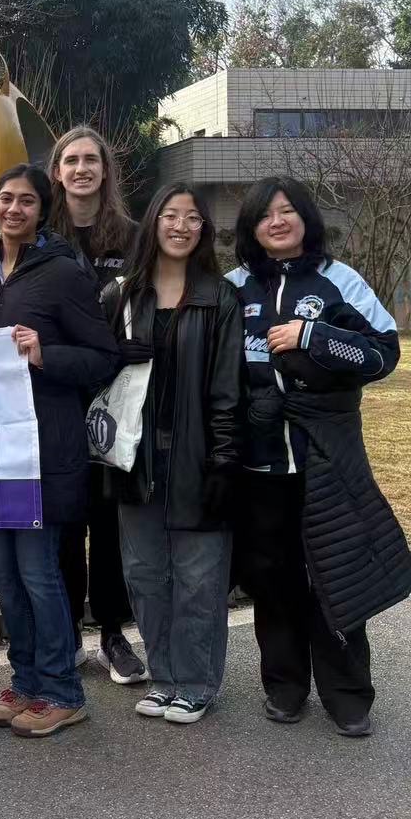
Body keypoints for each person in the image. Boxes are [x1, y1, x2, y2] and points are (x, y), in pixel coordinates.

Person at [227, 176, 411, 738]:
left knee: (335, 575)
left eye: (287, 211)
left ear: (306, 218)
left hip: (325, 460)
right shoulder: (234, 287)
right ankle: (284, 685)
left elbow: (384, 354)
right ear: (252, 228)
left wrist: (312, 335)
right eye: (265, 215)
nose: (277, 221)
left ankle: (348, 694)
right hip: (260, 463)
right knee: (271, 579)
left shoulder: (340, 280)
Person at [0, 164, 120, 739]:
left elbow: (102, 357)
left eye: (26, 201)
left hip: (45, 448)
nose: (14, 209)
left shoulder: (63, 273)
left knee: (38, 572)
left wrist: (44, 353)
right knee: (5, 576)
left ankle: (62, 690)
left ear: (42, 210)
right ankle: (26, 679)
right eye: (6, 198)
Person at [99, 186, 243, 725]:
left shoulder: (219, 299)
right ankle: (164, 677)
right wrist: (115, 355)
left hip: (197, 456)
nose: (181, 226)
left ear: (204, 230)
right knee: (144, 573)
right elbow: (95, 372)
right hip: (135, 457)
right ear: (154, 221)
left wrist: (224, 460)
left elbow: (228, 388)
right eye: (171, 215)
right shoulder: (121, 296)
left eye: (193, 218)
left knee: (199, 577)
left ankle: (197, 683)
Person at [48, 125, 146, 685]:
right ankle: (66, 636)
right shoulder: (41, 236)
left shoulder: (132, 237)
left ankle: (112, 632)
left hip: (116, 395)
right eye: (71, 160)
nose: (81, 169)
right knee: (66, 520)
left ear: (105, 170)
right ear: (57, 171)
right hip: (59, 394)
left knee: (109, 523)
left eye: (91, 159)